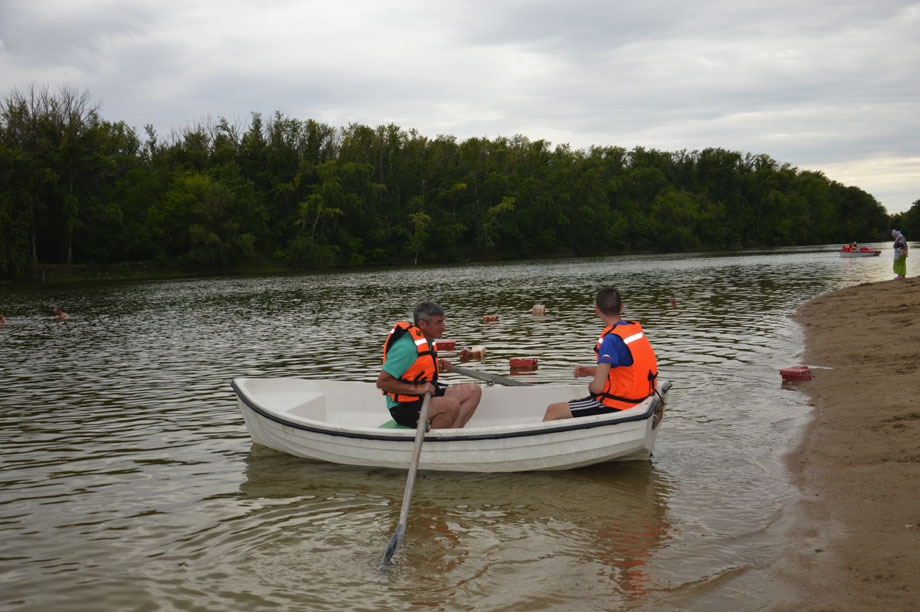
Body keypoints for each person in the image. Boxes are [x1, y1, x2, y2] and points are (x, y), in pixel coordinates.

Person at [544, 287, 658, 421]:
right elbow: (627, 369)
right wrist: (590, 372)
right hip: (641, 398)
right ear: (621, 307)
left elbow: (597, 388)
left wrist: (590, 385)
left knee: (553, 411)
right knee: (574, 402)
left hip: (620, 404)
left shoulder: (610, 339)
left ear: (597, 310)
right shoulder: (633, 330)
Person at [376, 301, 482, 429]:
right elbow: (383, 382)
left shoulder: (427, 341)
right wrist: (419, 389)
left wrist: (435, 365)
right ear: (422, 324)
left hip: (424, 395)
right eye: (439, 322)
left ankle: (452, 434)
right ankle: (434, 444)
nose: (444, 327)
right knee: (451, 405)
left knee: (474, 391)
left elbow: (415, 367)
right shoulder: (406, 348)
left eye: (443, 321)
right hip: (404, 407)